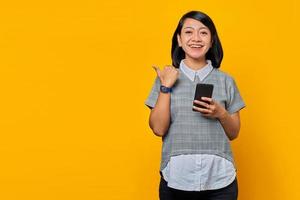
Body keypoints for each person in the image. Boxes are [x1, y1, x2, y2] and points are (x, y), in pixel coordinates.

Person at [145, 10, 245, 200]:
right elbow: (158, 128)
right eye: (189, 32)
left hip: (220, 180)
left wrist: (221, 113)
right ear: (179, 40)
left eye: (203, 32)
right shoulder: (164, 78)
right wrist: (165, 86)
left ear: (212, 40)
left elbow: (234, 133)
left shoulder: (226, 81)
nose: (196, 38)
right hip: (176, 178)